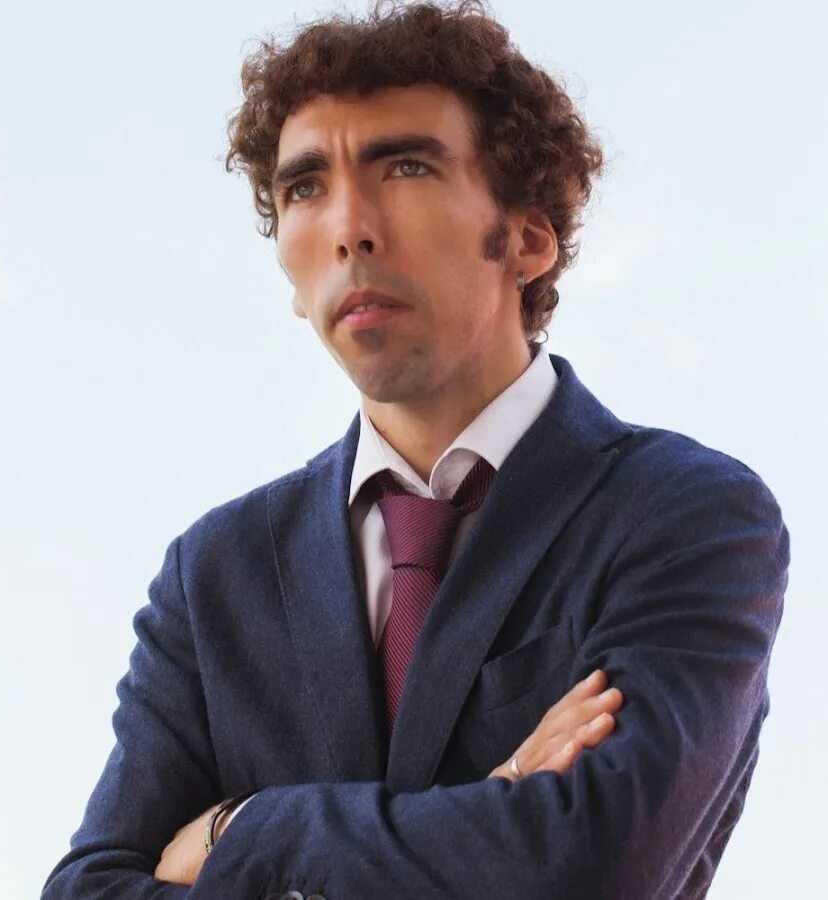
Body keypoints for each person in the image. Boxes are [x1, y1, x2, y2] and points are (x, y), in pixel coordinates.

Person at [41, 2, 790, 898]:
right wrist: (496, 806)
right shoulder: (214, 576)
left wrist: (247, 828)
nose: (349, 228)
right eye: (305, 187)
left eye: (405, 167)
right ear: (289, 275)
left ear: (529, 237)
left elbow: (593, 865)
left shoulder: (686, 514)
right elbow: (90, 889)